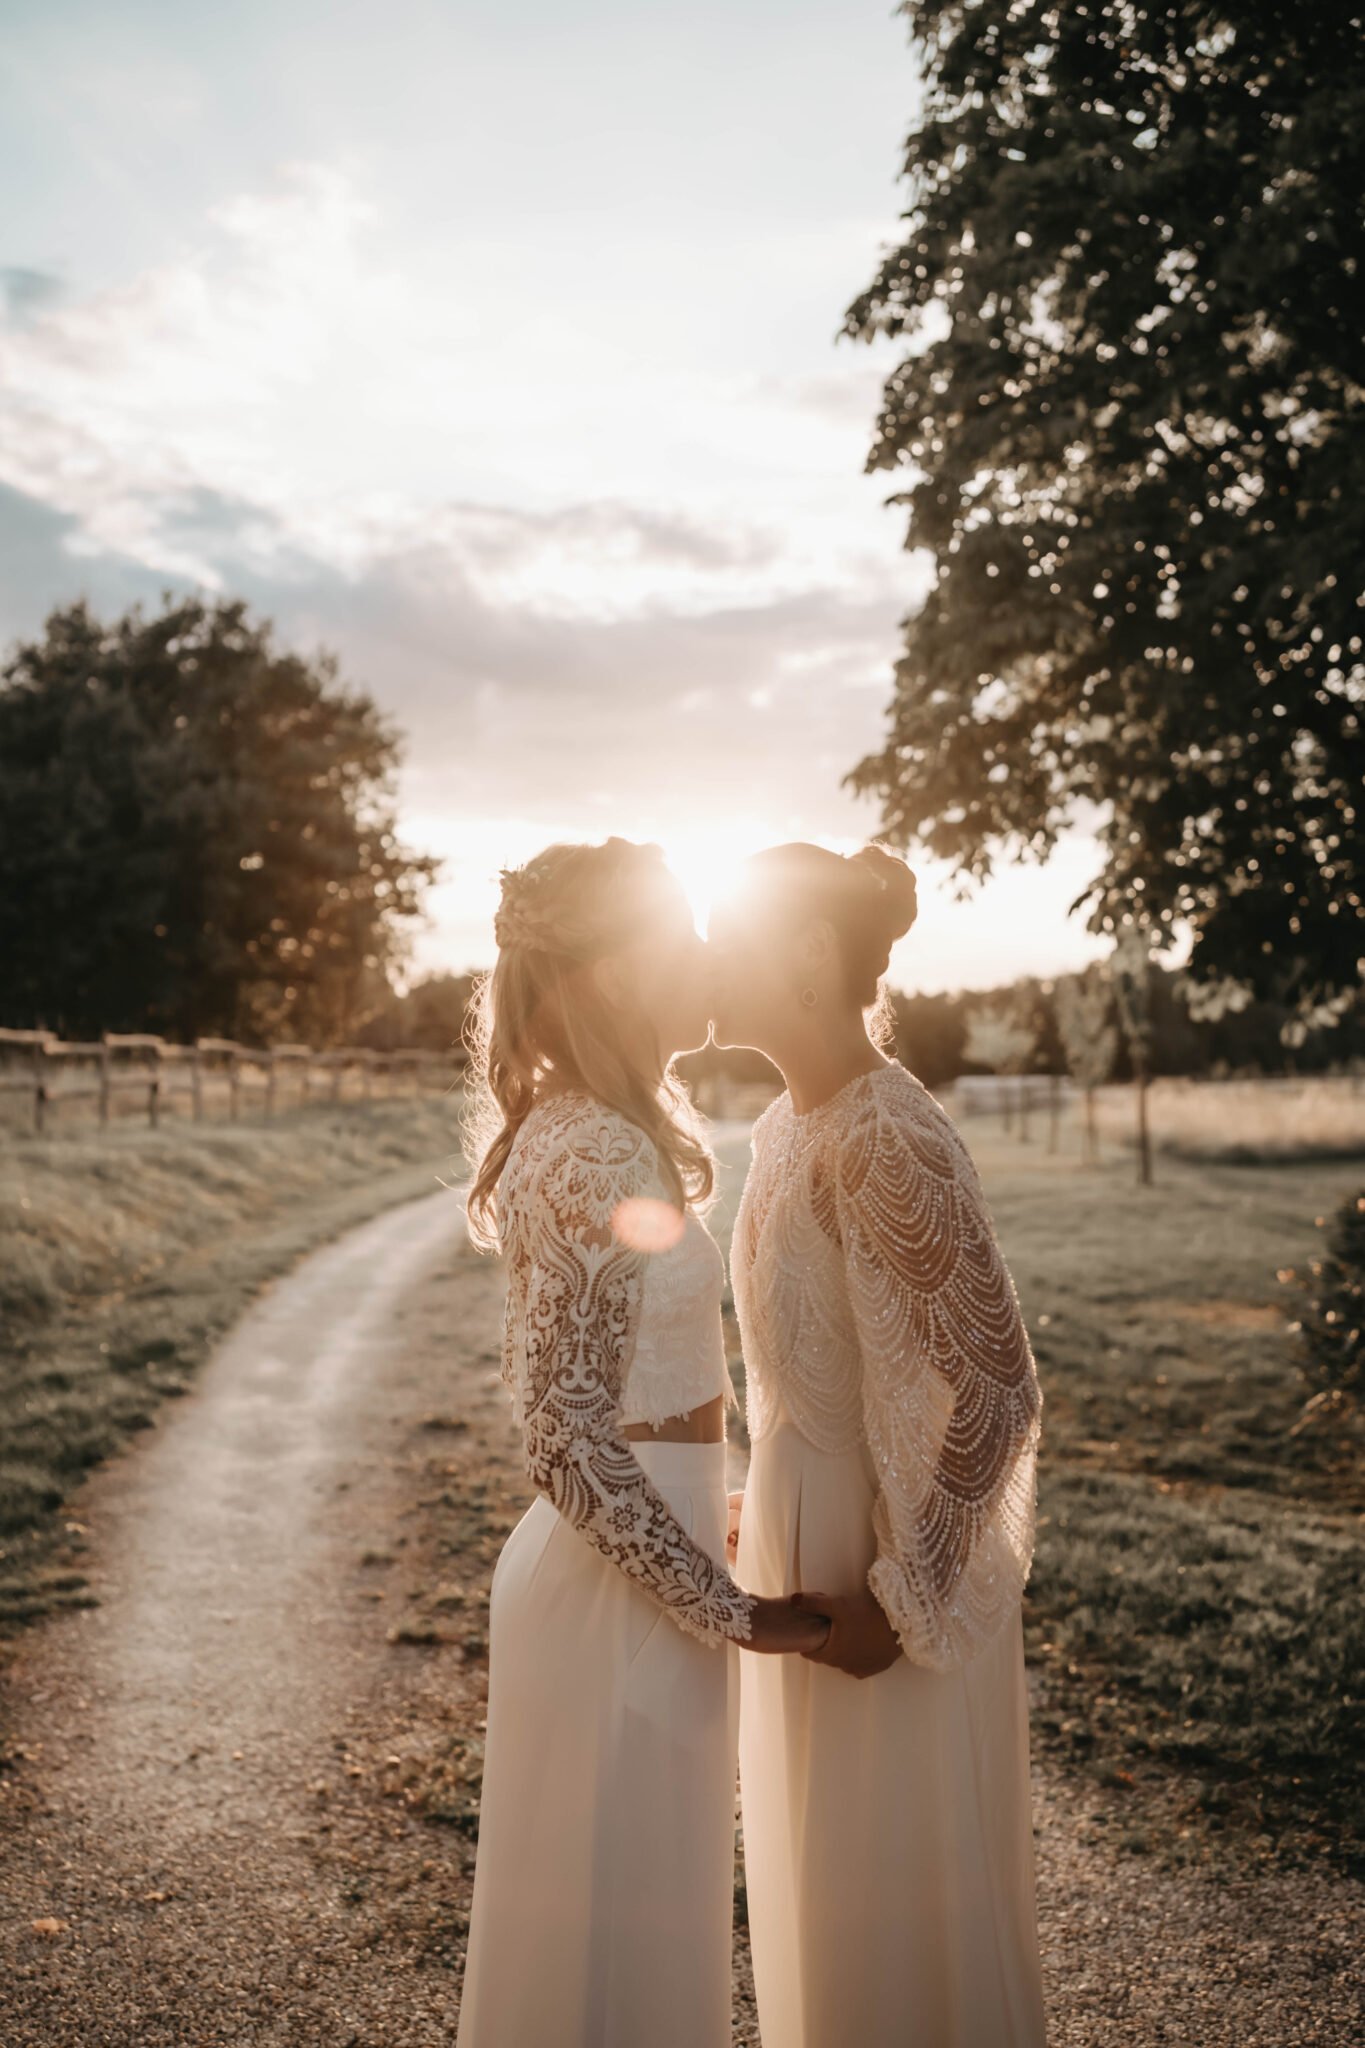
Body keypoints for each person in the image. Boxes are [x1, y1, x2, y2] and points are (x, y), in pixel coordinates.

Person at [456, 835, 827, 2048]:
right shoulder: (593, 1147)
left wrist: (706, 1496)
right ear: (612, 975)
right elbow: (563, 1436)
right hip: (623, 1593)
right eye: (675, 939)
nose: (705, 959)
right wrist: (734, 1608)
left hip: (644, 1559)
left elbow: (635, 1390)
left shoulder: (596, 1126)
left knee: (634, 1929)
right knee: (618, 1942)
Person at [710, 840, 1049, 2048]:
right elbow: (816, 1369)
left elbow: (997, 1388)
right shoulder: (784, 1129)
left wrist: (904, 1599)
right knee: (822, 1895)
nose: (703, 955)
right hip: (803, 1537)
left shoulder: (887, 1135)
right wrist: (768, 1486)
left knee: (893, 1912)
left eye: (728, 930)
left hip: (878, 1574)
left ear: (806, 953)